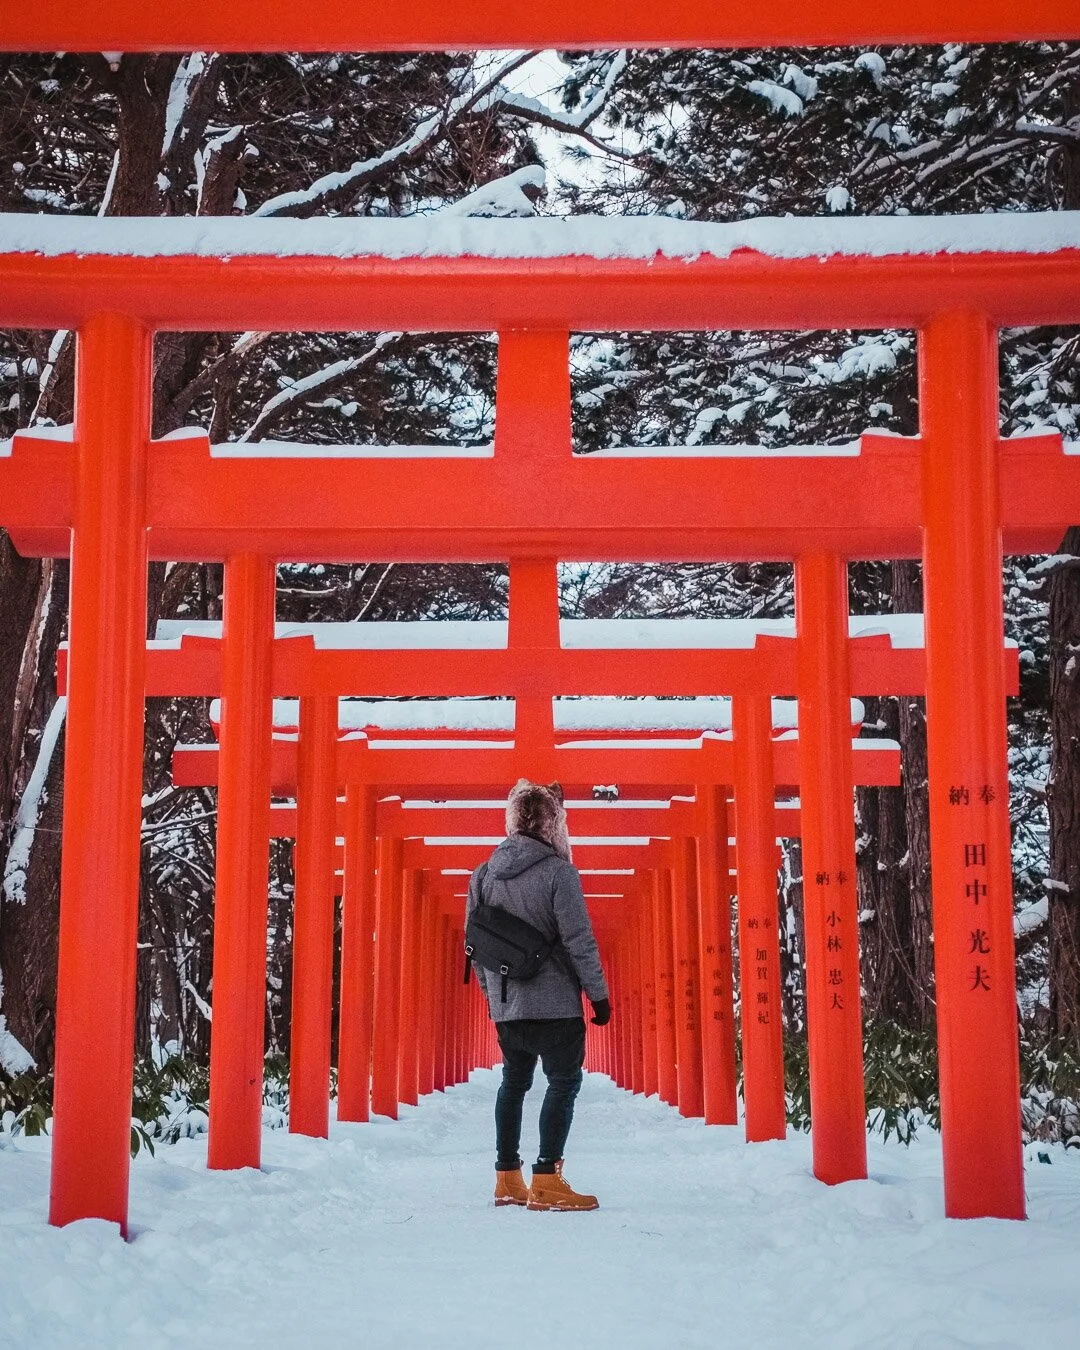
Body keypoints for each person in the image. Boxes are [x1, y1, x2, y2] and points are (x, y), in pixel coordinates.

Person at [466, 778, 610, 1212]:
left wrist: (495, 1000)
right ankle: (547, 1178)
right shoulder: (558, 873)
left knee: (513, 1083)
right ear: (552, 824)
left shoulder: (484, 873)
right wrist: (598, 996)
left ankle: (507, 1178)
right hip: (556, 1005)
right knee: (562, 1083)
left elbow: (475, 945)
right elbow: (579, 939)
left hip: (510, 1007)